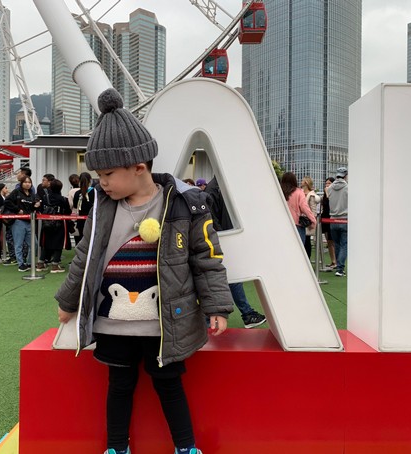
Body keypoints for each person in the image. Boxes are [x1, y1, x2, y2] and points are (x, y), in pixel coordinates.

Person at [55, 88, 233, 454]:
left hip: (164, 324)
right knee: (119, 386)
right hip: (113, 323)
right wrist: (68, 300)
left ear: (139, 167)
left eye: (107, 173)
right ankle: (116, 447)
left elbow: (206, 258)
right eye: (98, 174)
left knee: (169, 385)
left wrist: (217, 306)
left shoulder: (185, 204)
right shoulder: (102, 208)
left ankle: (186, 447)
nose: (102, 182)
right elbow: (84, 257)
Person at [204, 176, 267, 328]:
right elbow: (213, 218)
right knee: (230, 278)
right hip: (222, 238)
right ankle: (246, 314)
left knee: (227, 278)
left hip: (223, 237)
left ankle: (244, 314)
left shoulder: (218, 186)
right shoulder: (217, 188)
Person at [4, 175, 41, 272]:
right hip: (18, 221)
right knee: (18, 244)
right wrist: (17, 210)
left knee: (34, 244)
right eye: (25, 182)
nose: (27, 184)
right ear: (21, 183)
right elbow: (7, 202)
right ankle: (21, 264)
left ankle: (29, 262)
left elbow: (33, 207)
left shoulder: (32, 194)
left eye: (29, 182)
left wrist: (36, 205)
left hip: (30, 221)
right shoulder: (16, 192)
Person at [37, 179, 71, 273]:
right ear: (60, 188)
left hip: (46, 222)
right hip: (59, 223)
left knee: (45, 243)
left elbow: (41, 209)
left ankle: (40, 263)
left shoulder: (45, 197)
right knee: (58, 244)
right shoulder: (63, 199)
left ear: (50, 187)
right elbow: (68, 211)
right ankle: (55, 265)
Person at [280, 172, 316, 255]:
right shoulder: (298, 192)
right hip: (296, 224)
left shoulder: (279, 192)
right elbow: (304, 207)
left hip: (281, 224)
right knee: (299, 251)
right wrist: (313, 220)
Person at [326, 167, 348, 277]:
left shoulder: (329, 188)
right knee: (344, 244)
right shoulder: (348, 188)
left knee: (337, 244)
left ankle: (338, 267)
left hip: (332, 219)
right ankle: (340, 268)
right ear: (345, 176)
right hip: (344, 219)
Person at [301, 176, 320, 258]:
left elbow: (313, 210)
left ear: (306, 183)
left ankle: (307, 258)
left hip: (306, 221)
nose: (301, 182)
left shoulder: (311, 195)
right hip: (301, 219)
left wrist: (312, 221)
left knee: (307, 240)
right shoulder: (301, 193)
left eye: (302, 181)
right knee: (303, 240)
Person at [72, 172, 94, 245]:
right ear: (90, 180)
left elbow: (75, 206)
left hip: (81, 221)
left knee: (81, 240)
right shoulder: (95, 192)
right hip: (92, 220)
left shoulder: (77, 193)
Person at [320, 177, 337, 270]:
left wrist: (327, 193)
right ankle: (333, 261)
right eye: (326, 183)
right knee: (329, 241)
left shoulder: (334, 194)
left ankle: (336, 262)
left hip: (332, 219)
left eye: (329, 183)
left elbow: (331, 205)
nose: (327, 185)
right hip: (325, 219)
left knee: (333, 241)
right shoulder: (324, 196)